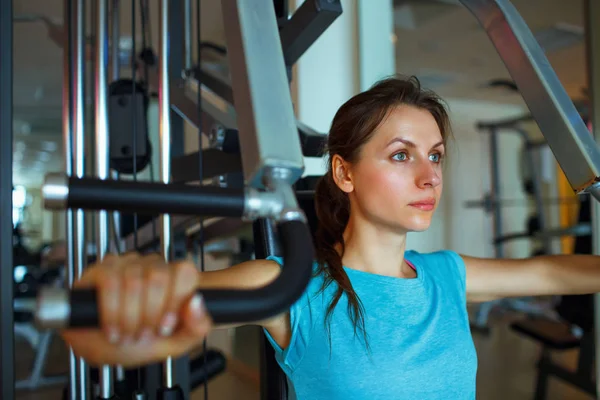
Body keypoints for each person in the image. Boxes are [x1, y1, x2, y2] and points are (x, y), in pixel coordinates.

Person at [61, 76, 600, 399]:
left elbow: (555, 271)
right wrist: (120, 297)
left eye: (435, 155)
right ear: (344, 174)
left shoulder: (447, 275)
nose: (430, 176)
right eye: (400, 155)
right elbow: (103, 313)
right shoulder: (295, 286)